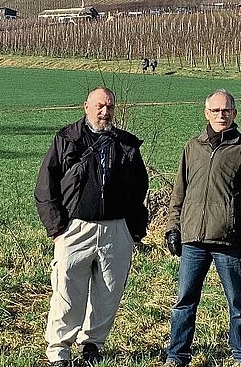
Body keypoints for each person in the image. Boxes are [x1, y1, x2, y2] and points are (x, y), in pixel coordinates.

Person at [35, 86, 149, 367]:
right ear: (86, 106)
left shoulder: (126, 144)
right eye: (99, 105)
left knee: (108, 295)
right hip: (76, 230)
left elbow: (140, 189)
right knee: (67, 292)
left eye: (109, 106)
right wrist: (57, 228)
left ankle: (92, 346)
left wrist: (134, 230)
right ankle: (59, 351)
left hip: (116, 231)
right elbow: (45, 188)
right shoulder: (67, 139)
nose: (104, 111)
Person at [163, 89, 241, 367]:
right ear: (206, 113)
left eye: (227, 110)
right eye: (216, 110)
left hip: (228, 240)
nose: (222, 115)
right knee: (184, 301)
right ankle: (177, 355)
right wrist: (174, 227)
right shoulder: (192, 147)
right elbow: (179, 192)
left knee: (238, 303)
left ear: (235, 113)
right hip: (192, 238)